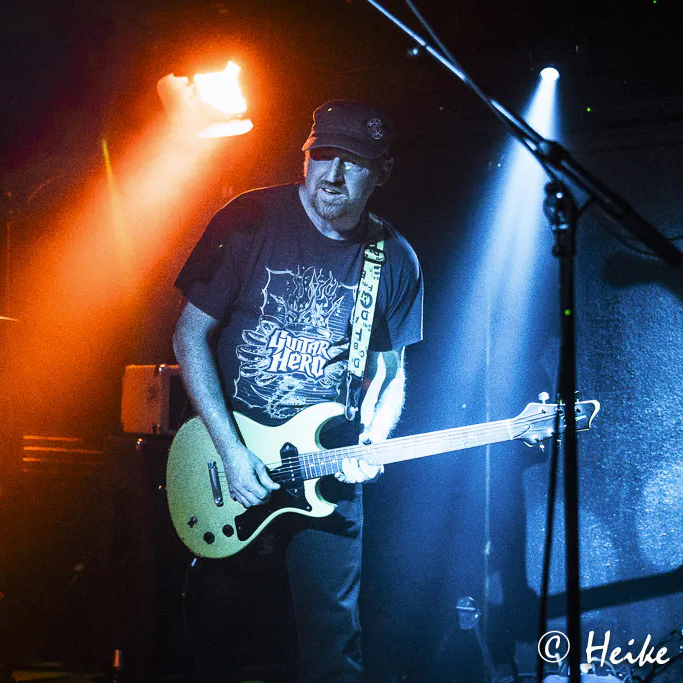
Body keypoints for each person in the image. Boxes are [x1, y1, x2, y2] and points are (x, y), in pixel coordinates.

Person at [172, 99, 423, 682]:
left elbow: (390, 375)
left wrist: (373, 439)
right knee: (219, 644)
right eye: (322, 155)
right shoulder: (249, 219)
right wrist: (232, 452)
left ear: (382, 172)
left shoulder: (394, 259)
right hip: (229, 463)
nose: (333, 174)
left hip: (326, 472)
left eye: (353, 161)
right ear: (304, 157)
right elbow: (188, 336)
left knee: (332, 649)